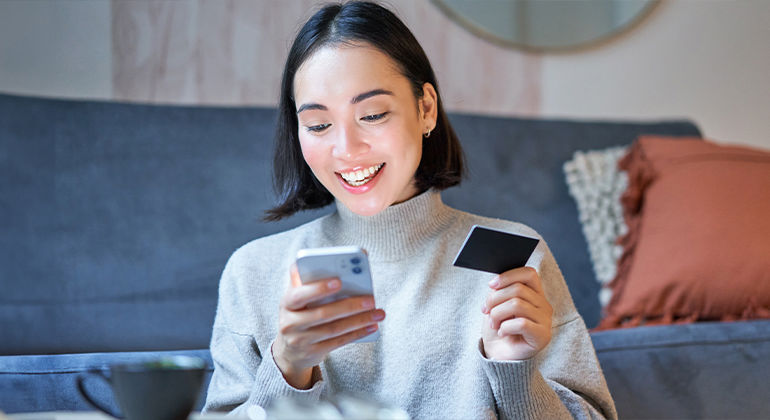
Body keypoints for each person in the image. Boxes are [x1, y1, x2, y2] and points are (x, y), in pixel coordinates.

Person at [203, 2, 617, 419]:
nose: (346, 149)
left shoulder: (515, 261)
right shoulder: (253, 273)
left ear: (426, 109)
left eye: (372, 114)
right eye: (318, 125)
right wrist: (288, 368)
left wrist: (517, 374)